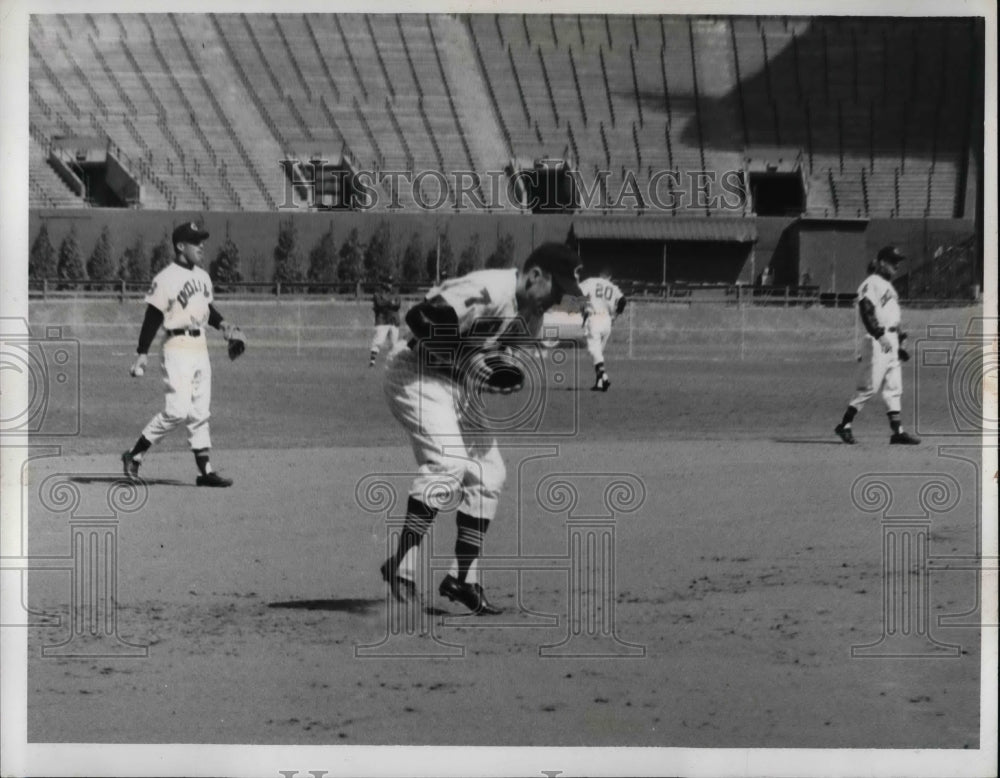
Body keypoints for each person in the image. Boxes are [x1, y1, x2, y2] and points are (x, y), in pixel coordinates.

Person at [380, 243, 583, 614]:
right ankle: (402, 566)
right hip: (416, 372)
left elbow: (503, 363)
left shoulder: (531, 316)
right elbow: (419, 319)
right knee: (449, 465)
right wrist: (472, 361)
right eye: (557, 290)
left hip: (456, 385)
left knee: (490, 473)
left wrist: (502, 375)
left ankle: (462, 579)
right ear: (535, 276)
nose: (557, 300)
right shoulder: (491, 289)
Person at [121, 222, 246, 486]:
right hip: (176, 347)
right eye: (195, 242)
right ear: (180, 246)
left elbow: (206, 308)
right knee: (177, 411)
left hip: (200, 347)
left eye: (201, 241)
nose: (201, 246)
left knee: (200, 411)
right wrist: (142, 352)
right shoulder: (165, 278)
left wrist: (222, 324)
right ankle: (134, 454)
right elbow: (153, 316)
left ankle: (205, 472)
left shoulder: (202, 276)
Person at [834, 245, 920, 445]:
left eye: (898, 262)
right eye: (893, 262)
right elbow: (866, 310)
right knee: (869, 387)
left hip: (890, 339)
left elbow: (892, 317)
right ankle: (844, 425)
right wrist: (879, 336)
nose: (897, 266)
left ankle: (897, 431)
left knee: (894, 386)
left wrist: (900, 339)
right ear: (881, 262)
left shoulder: (889, 286)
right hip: (878, 340)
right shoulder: (871, 283)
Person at [578, 270, 627, 391]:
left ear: (599, 275)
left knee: (594, 351)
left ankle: (604, 377)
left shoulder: (590, 281)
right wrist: (615, 315)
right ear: (609, 277)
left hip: (594, 318)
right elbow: (623, 301)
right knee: (598, 353)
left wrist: (583, 310)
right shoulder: (612, 286)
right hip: (607, 320)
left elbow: (578, 295)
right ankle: (599, 383)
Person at [368, 278, 401, 367]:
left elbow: (397, 305)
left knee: (394, 344)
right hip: (382, 320)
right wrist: (390, 302)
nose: (390, 285)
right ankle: (372, 362)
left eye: (391, 283)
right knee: (378, 341)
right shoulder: (377, 294)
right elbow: (379, 304)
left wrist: (387, 303)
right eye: (388, 283)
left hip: (393, 320)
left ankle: (390, 363)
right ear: (384, 283)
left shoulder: (395, 293)